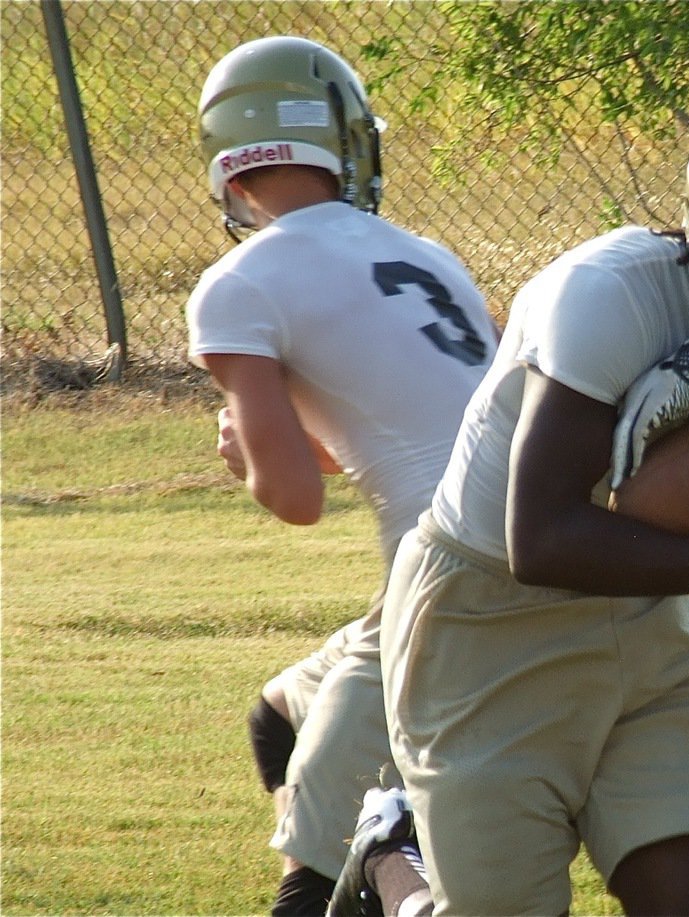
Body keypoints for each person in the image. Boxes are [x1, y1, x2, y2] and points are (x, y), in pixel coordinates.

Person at [333, 71, 689, 916]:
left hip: (648, 615)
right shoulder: (613, 293)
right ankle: (392, 858)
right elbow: (539, 537)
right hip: (485, 619)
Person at [185, 36, 498, 917]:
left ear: (230, 165)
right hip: (538, 534)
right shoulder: (430, 257)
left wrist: (251, 455)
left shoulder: (238, 284)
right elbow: (403, 426)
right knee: (279, 717)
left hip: (448, 585)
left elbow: (295, 498)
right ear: (344, 142)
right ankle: (390, 878)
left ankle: (398, 889)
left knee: (313, 887)